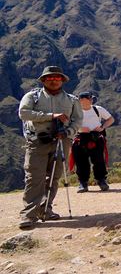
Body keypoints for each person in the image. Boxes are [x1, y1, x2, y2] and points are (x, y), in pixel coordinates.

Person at [17, 66, 82, 229]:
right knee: (34, 177)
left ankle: (46, 209)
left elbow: (77, 120)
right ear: (44, 80)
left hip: (62, 140)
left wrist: (68, 132)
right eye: (50, 78)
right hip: (37, 140)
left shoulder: (72, 100)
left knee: (54, 176)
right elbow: (24, 113)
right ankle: (28, 214)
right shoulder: (32, 96)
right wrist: (51, 116)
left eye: (57, 78)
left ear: (62, 81)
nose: (54, 81)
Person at [73, 92, 115, 192]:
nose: (85, 101)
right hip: (80, 138)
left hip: (96, 137)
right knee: (81, 161)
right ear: (79, 101)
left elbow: (111, 119)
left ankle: (101, 181)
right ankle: (83, 183)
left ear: (91, 100)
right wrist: (79, 129)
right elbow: (69, 123)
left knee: (99, 160)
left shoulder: (98, 109)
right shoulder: (74, 111)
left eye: (87, 99)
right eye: (82, 100)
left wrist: (102, 127)